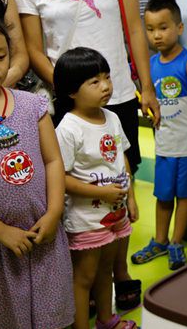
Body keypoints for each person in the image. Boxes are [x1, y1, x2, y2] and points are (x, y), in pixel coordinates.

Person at [16, 0, 160, 311]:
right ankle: (86, 277)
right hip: (66, 105)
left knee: (120, 185)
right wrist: (68, 92)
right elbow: (35, 49)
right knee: (79, 193)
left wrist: (146, 87)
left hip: (115, 100)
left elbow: (135, 32)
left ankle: (118, 274)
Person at [0, 13, 74, 328]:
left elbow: (54, 161)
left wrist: (55, 211)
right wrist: (0, 231)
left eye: (1, 56)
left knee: (52, 314)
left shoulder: (32, 106)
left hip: (44, 235)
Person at [54, 47, 138, 329]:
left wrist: (132, 199)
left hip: (115, 213)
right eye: (94, 81)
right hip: (86, 219)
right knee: (84, 278)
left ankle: (107, 320)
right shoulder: (68, 128)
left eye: (107, 77)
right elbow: (60, 178)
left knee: (106, 272)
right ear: (71, 92)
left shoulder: (111, 117)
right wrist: (101, 193)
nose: (106, 86)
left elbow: (122, 157)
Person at [131, 0, 187, 271]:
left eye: (163, 28)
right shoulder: (150, 65)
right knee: (163, 196)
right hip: (164, 145)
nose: (156, 35)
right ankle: (159, 240)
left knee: (185, 196)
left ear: (179, 28)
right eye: (150, 29)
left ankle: (177, 241)